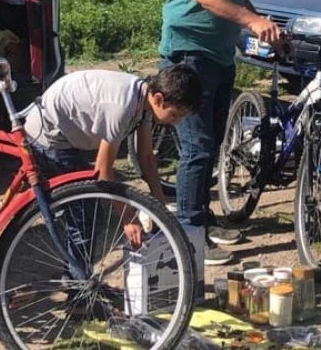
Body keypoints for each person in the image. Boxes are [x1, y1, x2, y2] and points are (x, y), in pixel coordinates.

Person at [159, 0, 285, 265]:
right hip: (189, 54)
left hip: (218, 57)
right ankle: (187, 235)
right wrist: (251, 22)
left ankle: (203, 217)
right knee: (196, 148)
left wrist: (266, 25)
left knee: (211, 145)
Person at [24, 64, 202, 247]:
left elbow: (147, 157)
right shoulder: (122, 107)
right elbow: (102, 171)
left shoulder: (144, 100)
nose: (177, 122)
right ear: (158, 99)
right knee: (85, 211)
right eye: (175, 115)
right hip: (47, 133)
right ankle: (73, 274)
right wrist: (128, 217)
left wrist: (160, 207)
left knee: (87, 207)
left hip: (67, 131)